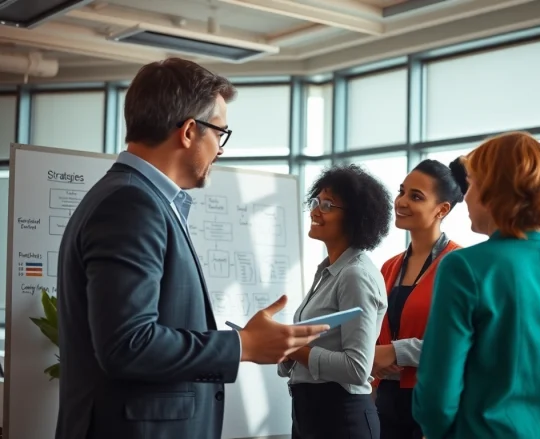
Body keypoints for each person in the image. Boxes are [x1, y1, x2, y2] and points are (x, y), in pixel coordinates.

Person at [55, 57, 328, 439]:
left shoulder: (132, 197)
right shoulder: (131, 205)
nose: (221, 149)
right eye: (220, 133)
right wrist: (244, 345)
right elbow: (127, 345)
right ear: (188, 131)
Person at [412, 131, 540, 439]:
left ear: (493, 189)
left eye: (472, 184)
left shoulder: (464, 267)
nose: (466, 197)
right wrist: (536, 397)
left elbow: (436, 398)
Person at [278, 164, 391, 439]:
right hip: (309, 413)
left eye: (328, 205)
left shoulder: (355, 275)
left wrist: (293, 347)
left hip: (340, 418)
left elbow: (357, 367)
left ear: (355, 218)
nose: (315, 211)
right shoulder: (328, 271)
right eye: (316, 202)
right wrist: (284, 348)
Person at [370, 158, 467, 439]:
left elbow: (461, 344)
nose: (401, 202)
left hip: (435, 399)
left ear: (442, 209)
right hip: (386, 400)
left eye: (416, 197)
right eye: (401, 192)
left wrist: (395, 352)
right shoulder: (389, 266)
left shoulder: (461, 265)